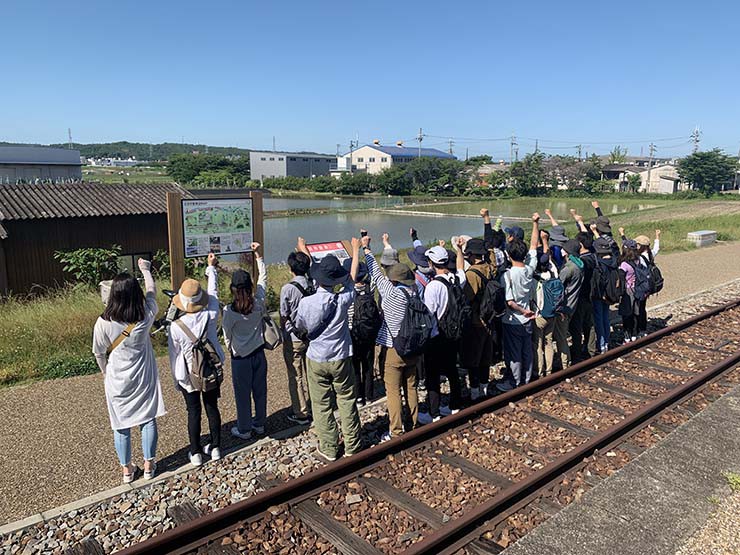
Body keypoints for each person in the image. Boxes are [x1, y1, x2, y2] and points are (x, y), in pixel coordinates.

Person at [93, 259, 166, 483]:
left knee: (120, 424)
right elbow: (152, 290)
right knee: (147, 418)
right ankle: (149, 466)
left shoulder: (103, 321)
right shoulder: (146, 313)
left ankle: (126, 470)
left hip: (117, 378)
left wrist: (105, 372)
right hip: (143, 375)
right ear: (136, 294)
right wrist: (145, 270)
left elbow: (98, 352)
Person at [294, 242, 362, 462]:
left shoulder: (306, 303)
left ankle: (330, 448)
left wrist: (304, 249)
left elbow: (301, 326)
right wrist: (355, 250)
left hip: (316, 357)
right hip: (341, 356)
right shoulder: (343, 300)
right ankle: (352, 445)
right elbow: (351, 281)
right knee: (347, 399)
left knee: (322, 405)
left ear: (318, 279)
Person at [363, 235, 424, 438]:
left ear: (394, 280)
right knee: (411, 386)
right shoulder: (415, 293)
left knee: (393, 391)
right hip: (414, 347)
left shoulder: (392, 294)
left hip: (394, 349)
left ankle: (396, 431)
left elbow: (376, 273)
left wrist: (366, 249)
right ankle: (413, 423)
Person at [168, 253, 226, 466]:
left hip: (188, 373)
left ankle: (195, 453)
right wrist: (211, 268)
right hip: (210, 367)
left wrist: (176, 380)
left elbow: (174, 356)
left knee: (193, 411)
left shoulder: (175, 327)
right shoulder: (211, 313)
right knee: (212, 407)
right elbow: (213, 292)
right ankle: (217, 447)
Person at [223, 243, 268, 441]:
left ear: (233, 289)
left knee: (242, 396)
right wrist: (258, 256)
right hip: (259, 353)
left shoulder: (229, 312)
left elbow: (227, 335)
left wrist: (231, 348)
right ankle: (259, 423)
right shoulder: (258, 302)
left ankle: (244, 428)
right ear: (250, 287)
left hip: (240, 358)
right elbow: (264, 279)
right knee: (260, 391)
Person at [423, 241, 466, 419]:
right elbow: (461, 269)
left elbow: (429, 314)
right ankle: (455, 404)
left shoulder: (433, 286)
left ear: (432, 263)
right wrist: (459, 250)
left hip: (437, 335)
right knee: (452, 370)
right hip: (454, 333)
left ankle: (434, 412)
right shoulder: (457, 279)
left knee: (432, 375)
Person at [497, 213, 540, 391]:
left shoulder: (506, 275)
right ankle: (527, 378)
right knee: (526, 350)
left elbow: (510, 302)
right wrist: (535, 223)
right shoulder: (529, 269)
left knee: (514, 352)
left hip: (513, 319)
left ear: (508, 254)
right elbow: (533, 246)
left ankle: (515, 383)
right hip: (528, 319)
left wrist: (523, 311)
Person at [279, 248, 313, 426]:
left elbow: (283, 314)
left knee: (296, 375)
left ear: (291, 269)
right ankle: (317, 405)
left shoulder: (287, 289)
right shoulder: (312, 284)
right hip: (311, 335)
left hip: (293, 338)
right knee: (312, 374)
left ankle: (301, 412)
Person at [462, 238, 495, 399]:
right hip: (489, 318)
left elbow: (467, 297)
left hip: (476, 320)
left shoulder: (472, 274)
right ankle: (484, 387)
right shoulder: (489, 267)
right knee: (485, 357)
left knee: (474, 357)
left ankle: (475, 392)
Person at [345, 258, 380, 406]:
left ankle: (359, 397)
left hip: (354, 334)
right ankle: (370, 395)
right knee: (368, 365)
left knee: (355, 367)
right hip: (369, 333)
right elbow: (373, 275)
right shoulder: (369, 289)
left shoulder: (347, 292)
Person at [554, 239, 584, 369]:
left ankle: (565, 362)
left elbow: (558, 285)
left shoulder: (568, 268)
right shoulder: (580, 265)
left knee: (561, 336)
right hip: (574, 303)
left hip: (565, 305)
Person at [569, 230, 598, 361]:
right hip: (592, 295)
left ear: (580, 244)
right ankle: (591, 349)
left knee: (576, 326)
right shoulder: (594, 257)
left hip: (581, 297)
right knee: (589, 325)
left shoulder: (582, 262)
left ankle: (576, 352)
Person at [590, 235, 619, 353]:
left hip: (600, 295)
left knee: (599, 320)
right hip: (610, 294)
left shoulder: (600, 264)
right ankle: (606, 341)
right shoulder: (614, 261)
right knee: (606, 318)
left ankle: (601, 345)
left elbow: (598, 282)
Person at [618, 239, 642, 343]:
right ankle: (634, 334)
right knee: (635, 313)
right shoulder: (638, 260)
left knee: (626, 314)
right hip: (637, 288)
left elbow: (621, 278)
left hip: (628, 291)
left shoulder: (624, 264)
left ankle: (627, 336)